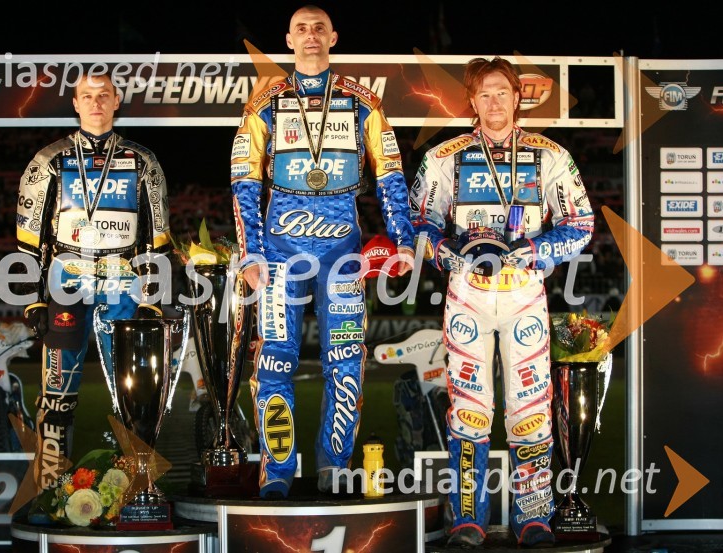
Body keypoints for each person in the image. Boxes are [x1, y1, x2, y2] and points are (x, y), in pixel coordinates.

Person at [230, 5, 415, 498]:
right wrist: (250, 254)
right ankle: (277, 470)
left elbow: (390, 174)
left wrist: (403, 240)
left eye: (319, 28)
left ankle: (337, 467)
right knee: (273, 360)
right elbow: (244, 180)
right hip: (278, 254)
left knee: (346, 360)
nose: (311, 37)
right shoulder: (264, 101)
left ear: (333, 36)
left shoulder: (363, 102)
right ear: (288, 39)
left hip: (344, 256)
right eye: (301, 29)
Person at [410, 57, 594, 547]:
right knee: (470, 408)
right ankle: (467, 517)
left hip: (524, 292)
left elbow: (581, 224)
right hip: (467, 292)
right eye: (484, 94)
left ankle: (533, 515)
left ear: (517, 98)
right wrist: (449, 254)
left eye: (502, 93)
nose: (494, 103)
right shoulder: (444, 155)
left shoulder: (550, 154)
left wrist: (534, 250)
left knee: (530, 405)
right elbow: (419, 224)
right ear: (471, 101)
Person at [16, 71, 170, 513]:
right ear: (76, 103)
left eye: (104, 95)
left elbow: (156, 238)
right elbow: (29, 239)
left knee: (134, 396)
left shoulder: (143, 161)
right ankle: (50, 491)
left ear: (117, 101)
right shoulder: (49, 159)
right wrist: (32, 296)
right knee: (57, 394)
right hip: (65, 282)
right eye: (88, 95)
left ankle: (136, 492)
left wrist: (151, 299)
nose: (96, 102)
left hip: (124, 282)